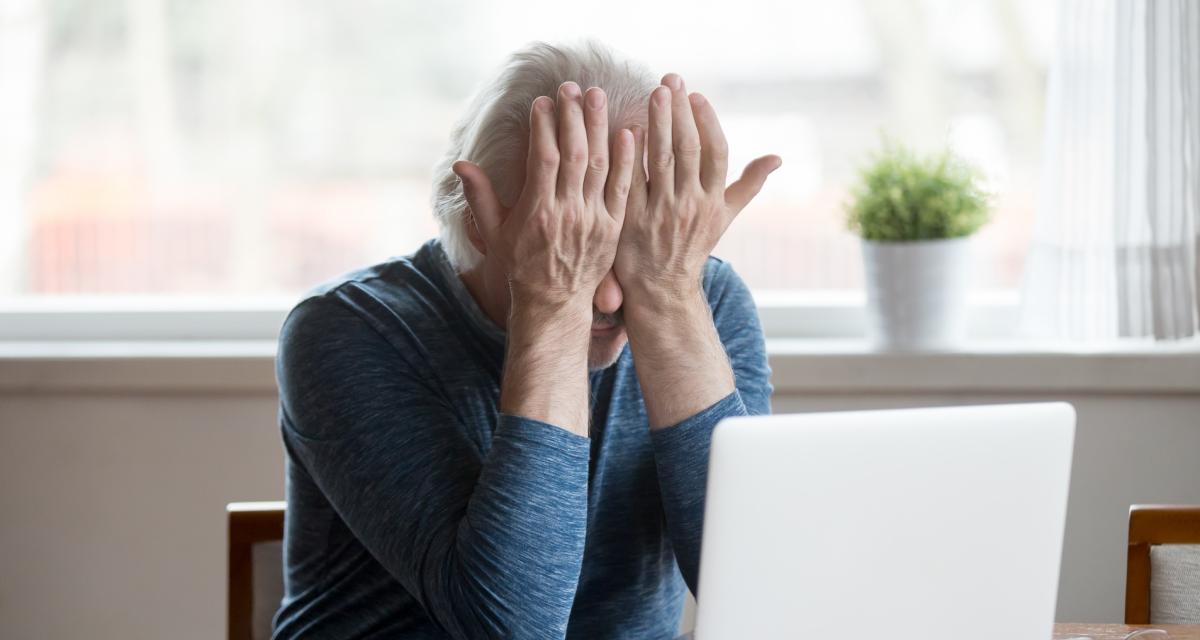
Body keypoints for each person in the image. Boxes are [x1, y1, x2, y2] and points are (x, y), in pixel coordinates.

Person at [273, 40, 780, 639]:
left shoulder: (700, 301)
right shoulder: (347, 329)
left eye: (635, 246)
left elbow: (761, 596)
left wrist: (669, 294)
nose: (614, 299)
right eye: (574, 243)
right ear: (477, 223)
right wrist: (553, 301)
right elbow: (513, 626)